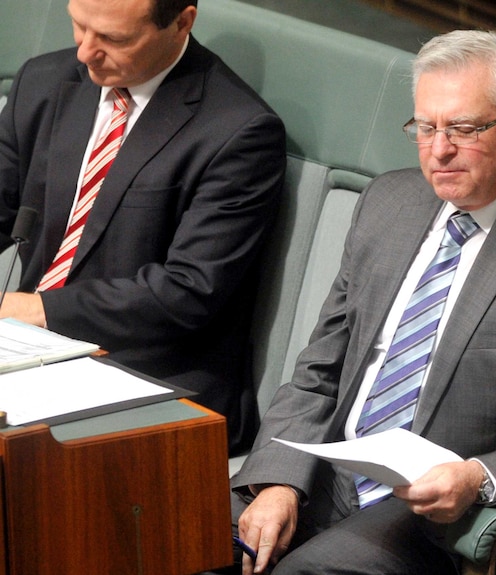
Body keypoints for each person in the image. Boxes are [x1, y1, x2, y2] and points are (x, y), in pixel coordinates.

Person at [227, 30, 496, 575]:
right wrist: (280, 479)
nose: (439, 149)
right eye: (426, 127)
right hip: (332, 472)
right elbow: (320, 369)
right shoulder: (388, 203)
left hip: (442, 512)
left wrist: (478, 476)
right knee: (172, 535)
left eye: (463, 129)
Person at [0, 0, 286, 455]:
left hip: (149, 374)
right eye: (78, 25)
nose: (84, 52)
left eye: (113, 39)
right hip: (29, 351)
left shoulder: (239, 130)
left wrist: (37, 311)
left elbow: (188, 291)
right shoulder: (44, 81)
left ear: (182, 23)